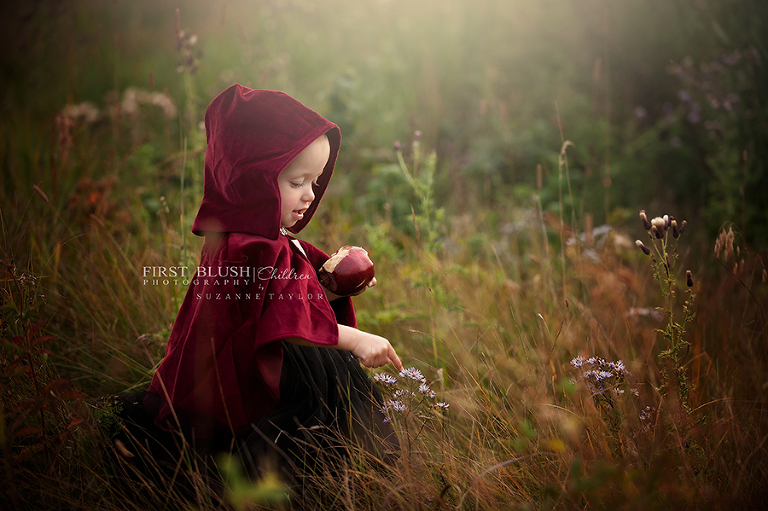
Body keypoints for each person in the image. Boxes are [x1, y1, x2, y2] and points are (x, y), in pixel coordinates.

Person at [127, 85, 402, 481]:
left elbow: (282, 302)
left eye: (315, 181)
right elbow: (280, 320)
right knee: (292, 437)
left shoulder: (253, 237)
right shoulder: (252, 247)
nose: (309, 195)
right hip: (247, 375)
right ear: (252, 179)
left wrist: (330, 289)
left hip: (246, 365)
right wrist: (356, 340)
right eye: (296, 182)